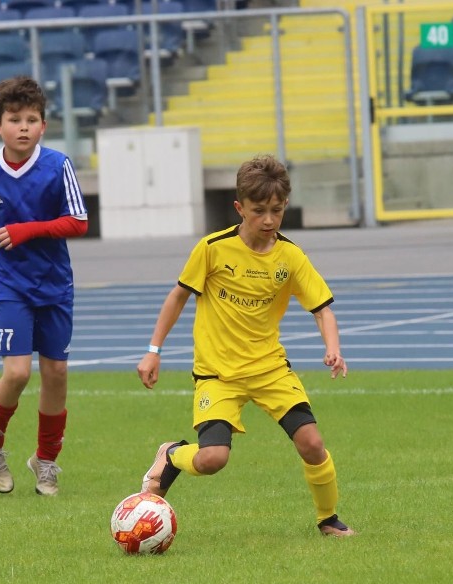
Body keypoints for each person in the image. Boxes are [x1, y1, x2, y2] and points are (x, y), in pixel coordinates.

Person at [136, 154, 356, 538]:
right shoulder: (212, 248)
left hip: (270, 370)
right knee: (212, 459)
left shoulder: (290, 257)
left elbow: (323, 309)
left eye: (276, 210)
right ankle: (171, 454)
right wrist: (154, 350)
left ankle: (328, 519)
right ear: (240, 208)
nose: (269, 220)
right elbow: (177, 297)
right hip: (217, 375)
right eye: (259, 211)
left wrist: (333, 347)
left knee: (312, 442)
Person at [0, 76, 88, 496]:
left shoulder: (58, 166)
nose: (23, 127)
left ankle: (46, 461)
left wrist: (25, 231)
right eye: (14, 119)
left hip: (54, 284)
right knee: (16, 372)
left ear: (43, 126)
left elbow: (79, 221)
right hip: (8, 287)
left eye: (31, 119)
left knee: (55, 372)